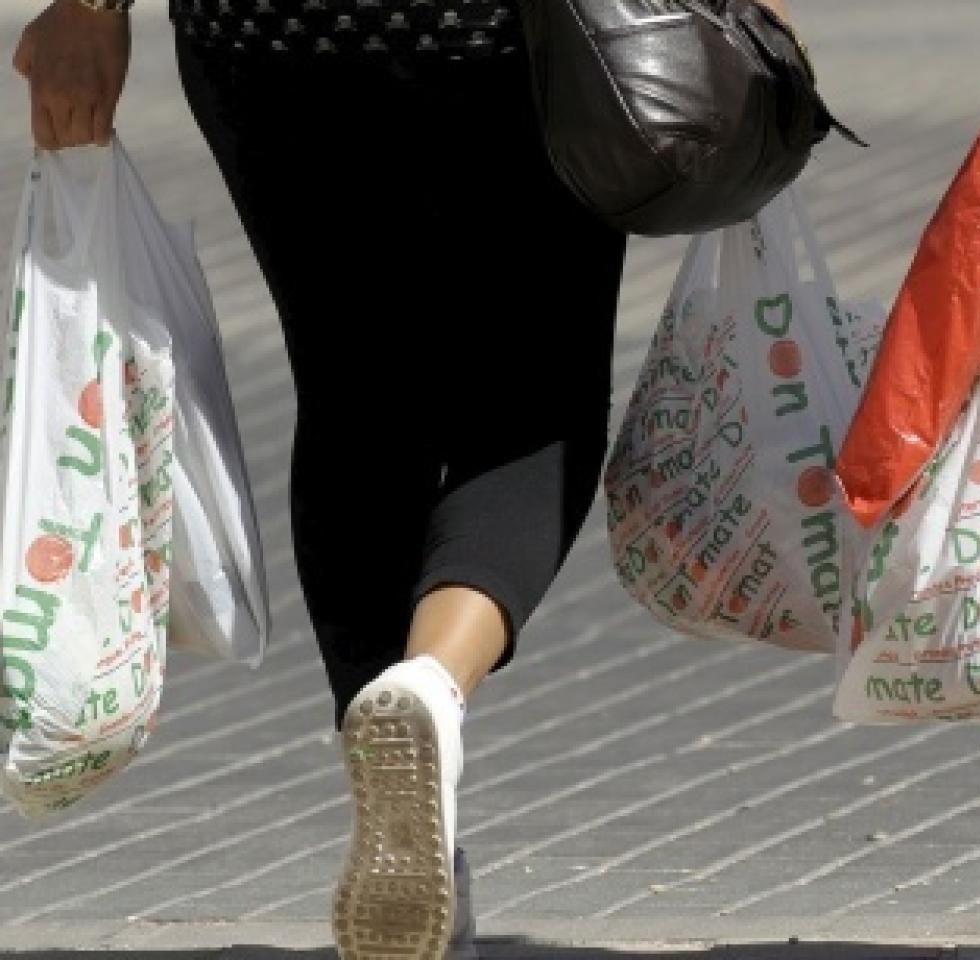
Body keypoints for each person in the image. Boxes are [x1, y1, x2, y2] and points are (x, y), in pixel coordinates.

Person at [13, 0, 775, 955]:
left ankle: (425, 822)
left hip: (271, 38)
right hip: (506, 32)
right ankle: (427, 690)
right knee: (531, 396)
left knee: (355, 395)